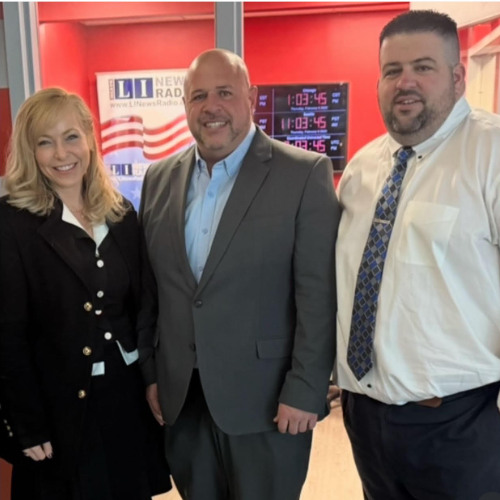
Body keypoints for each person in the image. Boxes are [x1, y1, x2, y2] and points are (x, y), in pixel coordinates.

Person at [138, 48, 340, 500]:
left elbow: (319, 296)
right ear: (185, 105)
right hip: (183, 400)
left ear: (251, 97)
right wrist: (152, 373)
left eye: (224, 93)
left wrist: (307, 388)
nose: (211, 107)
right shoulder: (158, 178)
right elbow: (152, 290)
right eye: (198, 96)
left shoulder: (303, 174)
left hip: (267, 402)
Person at [336, 9, 500, 500]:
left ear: (458, 76)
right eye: (392, 70)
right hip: (366, 419)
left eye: (423, 67)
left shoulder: (491, 154)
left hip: (460, 423)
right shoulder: (362, 168)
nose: (405, 82)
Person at [0, 87, 171, 500]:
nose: (62, 153)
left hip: (126, 399)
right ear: (30, 151)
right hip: (61, 410)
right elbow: (7, 336)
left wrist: (153, 380)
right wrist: (27, 424)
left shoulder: (120, 214)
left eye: (71, 137)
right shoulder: (12, 224)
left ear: (90, 139)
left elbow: (143, 309)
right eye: (45, 142)